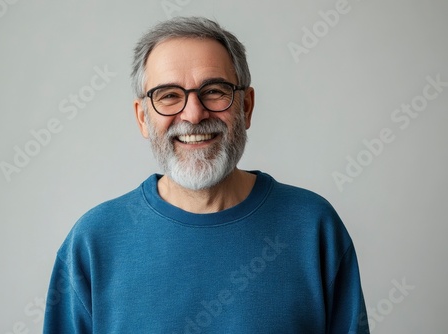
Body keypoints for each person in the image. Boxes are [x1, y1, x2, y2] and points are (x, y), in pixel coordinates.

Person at [43, 16, 369, 333]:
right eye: (169, 95)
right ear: (143, 118)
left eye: (214, 91)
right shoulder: (93, 241)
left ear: (246, 107)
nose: (194, 114)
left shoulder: (312, 226)